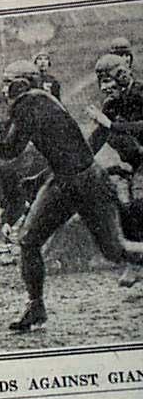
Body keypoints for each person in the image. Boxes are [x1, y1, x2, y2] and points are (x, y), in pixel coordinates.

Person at [0, 60, 143, 331]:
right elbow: (64, 151)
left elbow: (9, 149)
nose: (4, 88)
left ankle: (35, 306)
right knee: (28, 241)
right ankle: (35, 306)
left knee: (115, 250)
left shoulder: (30, 102)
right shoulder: (38, 102)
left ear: (22, 83)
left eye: (8, 82)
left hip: (85, 183)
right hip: (66, 179)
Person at [86, 53, 143, 287]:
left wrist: (111, 124)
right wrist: (75, 158)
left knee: (139, 202)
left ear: (122, 76)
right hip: (136, 164)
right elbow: (97, 138)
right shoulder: (111, 104)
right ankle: (136, 262)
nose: (105, 88)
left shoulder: (140, 94)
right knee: (127, 207)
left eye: (108, 81)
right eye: (102, 82)